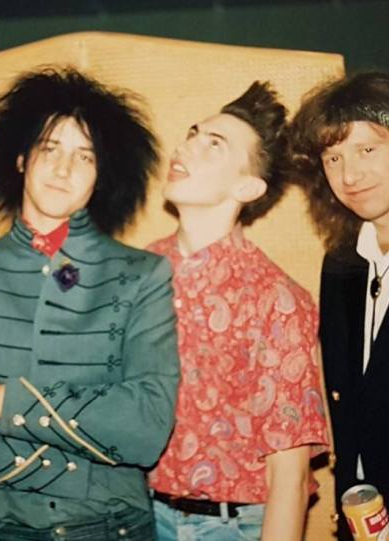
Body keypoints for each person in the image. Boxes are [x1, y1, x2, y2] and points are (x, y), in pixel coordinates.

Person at [0, 67, 179, 541]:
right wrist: (80, 468)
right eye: (49, 149)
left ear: (101, 174)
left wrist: (4, 401)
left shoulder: (143, 277)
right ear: (20, 158)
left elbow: (146, 427)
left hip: (113, 531)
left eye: (84, 156)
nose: (63, 169)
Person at [147, 82, 328, 541]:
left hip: (230, 527)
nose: (186, 147)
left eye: (214, 144)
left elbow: (288, 476)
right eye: (192, 134)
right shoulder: (141, 270)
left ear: (247, 186)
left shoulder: (277, 299)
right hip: (138, 515)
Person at [289, 71, 389, 541]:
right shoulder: (342, 263)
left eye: (367, 150)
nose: (349, 175)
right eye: (333, 157)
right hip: (369, 519)